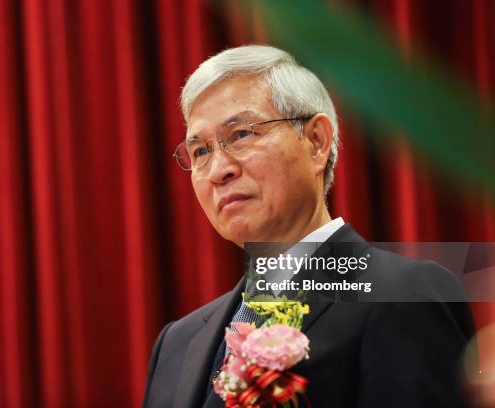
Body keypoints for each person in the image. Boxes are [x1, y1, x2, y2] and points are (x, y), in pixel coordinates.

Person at [142, 45, 474, 408]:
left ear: (316, 142)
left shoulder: (403, 294)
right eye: (201, 152)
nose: (220, 170)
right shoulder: (176, 344)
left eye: (241, 134)